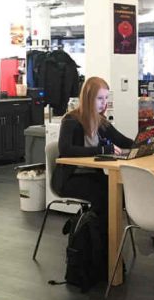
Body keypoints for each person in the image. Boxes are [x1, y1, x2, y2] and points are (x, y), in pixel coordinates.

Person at [55, 77, 134, 232]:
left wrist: (145, 143)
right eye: (99, 98)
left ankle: (83, 222)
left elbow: (122, 140)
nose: (103, 103)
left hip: (91, 175)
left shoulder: (100, 122)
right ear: (88, 98)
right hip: (69, 178)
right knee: (105, 196)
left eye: (106, 98)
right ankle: (96, 238)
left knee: (119, 192)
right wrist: (102, 150)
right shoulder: (71, 120)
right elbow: (66, 150)